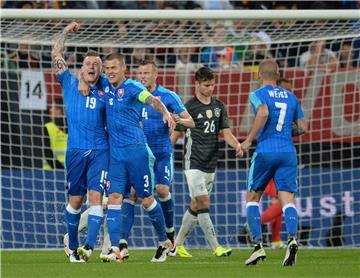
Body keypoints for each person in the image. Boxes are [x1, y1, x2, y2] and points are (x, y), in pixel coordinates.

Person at [94, 53, 176, 263]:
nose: (110, 71)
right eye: (108, 68)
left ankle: (162, 242)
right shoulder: (105, 84)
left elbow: (151, 100)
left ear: (124, 69)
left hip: (137, 153)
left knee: (147, 199)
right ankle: (114, 248)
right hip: (116, 155)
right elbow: (88, 75)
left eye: (114, 68)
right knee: (114, 198)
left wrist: (165, 112)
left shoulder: (133, 87)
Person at [118, 59, 195, 259]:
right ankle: (123, 244)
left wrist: (176, 119)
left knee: (161, 190)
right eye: (140, 73)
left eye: (146, 73)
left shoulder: (168, 96)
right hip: (140, 153)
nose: (142, 76)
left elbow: (191, 122)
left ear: (155, 75)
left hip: (161, 153)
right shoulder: (134, 94)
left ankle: (169, 233)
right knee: (132, 194)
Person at [52, 22, 109, 263]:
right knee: (75, 201)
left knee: (96, 199)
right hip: (75, 152)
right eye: (88, 64)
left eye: (96, 65)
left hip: (100, 151)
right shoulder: (68, 82)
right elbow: (56, 53)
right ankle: (73, 247)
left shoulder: (106, 87)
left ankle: (87, 248)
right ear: (81, 67)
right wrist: (65, 31)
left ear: (101, 70)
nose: (92, 67)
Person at [171, 66, 243, 257]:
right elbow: (175, 134)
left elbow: (226, 133)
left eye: (212, 85)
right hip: (192, 162)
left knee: (196, 205)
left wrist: (237, 145)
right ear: (197, 84)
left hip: (211, 162)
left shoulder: (219, 106)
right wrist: (164, 155)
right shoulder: (189, 108)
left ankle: (176, 245)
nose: (210, 88)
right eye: (206, 85)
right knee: (203, 201)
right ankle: (216, 247)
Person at [241, 59, 307, 266]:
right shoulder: (291, 97)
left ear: (259, 74)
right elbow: (303, 127)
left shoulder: (257, 94)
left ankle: (258, 246)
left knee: (253, 197)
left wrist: (249, 138)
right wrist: (286, 132)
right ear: (277, 75)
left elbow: (263, 112)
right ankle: (293, 239)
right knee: (287, 198)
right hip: (287, 152)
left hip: (265, 150)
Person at [43, 98, 67, 170]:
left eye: (52, 107)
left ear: (59, 110)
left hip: (51, 172)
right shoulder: (74, 126)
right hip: (68, 169)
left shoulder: (48, 127)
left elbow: (47, 152)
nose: (50, 110)